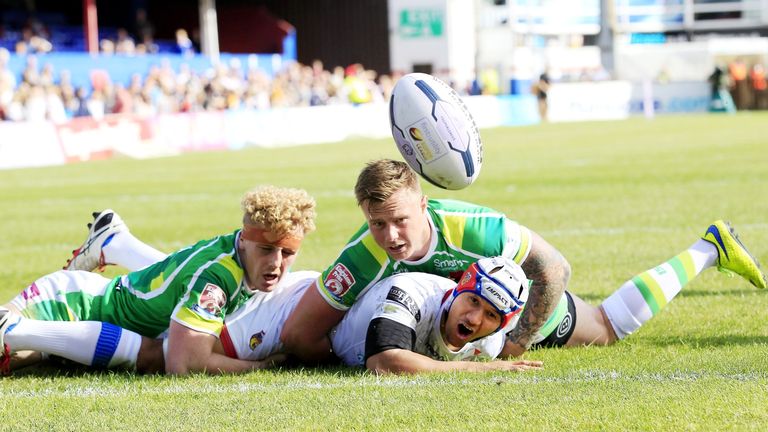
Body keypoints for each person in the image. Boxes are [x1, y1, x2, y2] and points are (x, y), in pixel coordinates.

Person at [0, 185, 316, 375]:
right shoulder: (215, 279)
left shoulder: (236, 255)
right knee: (157, 355)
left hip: (84, 302)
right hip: (68, 303)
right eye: (267, 249)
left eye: (287, 253)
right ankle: (12, 328)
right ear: (245, 240)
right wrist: (260, 368)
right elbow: (184, 363)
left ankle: (114, 241)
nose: (276, 263)